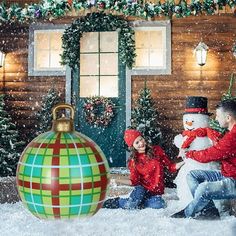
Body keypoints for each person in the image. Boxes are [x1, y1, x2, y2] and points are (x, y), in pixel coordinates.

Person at [171, 99, 236, 219]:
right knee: (192, 175)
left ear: (228, 118)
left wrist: (189, 154)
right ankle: (209, 209)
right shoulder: (230, 133)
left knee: (203, 188)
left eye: (218, 116)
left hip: (233, 181)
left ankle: (187, 213)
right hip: (227, 174)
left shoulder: (233, 136)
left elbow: (209, 155)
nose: (216, 119)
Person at [103, 129, 184, 210]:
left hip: (155, 192)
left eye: (141, 139)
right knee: (130, 205)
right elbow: (134, 181)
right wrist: (117, 180)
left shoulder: (157, 150)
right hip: (142, 190)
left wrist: (184, 162)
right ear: (132, 146)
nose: (141, 143)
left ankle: (138, 203)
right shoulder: (134, 161)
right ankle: (118, 202)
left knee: (159, 204)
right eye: (137, 142)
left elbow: (170, 166)